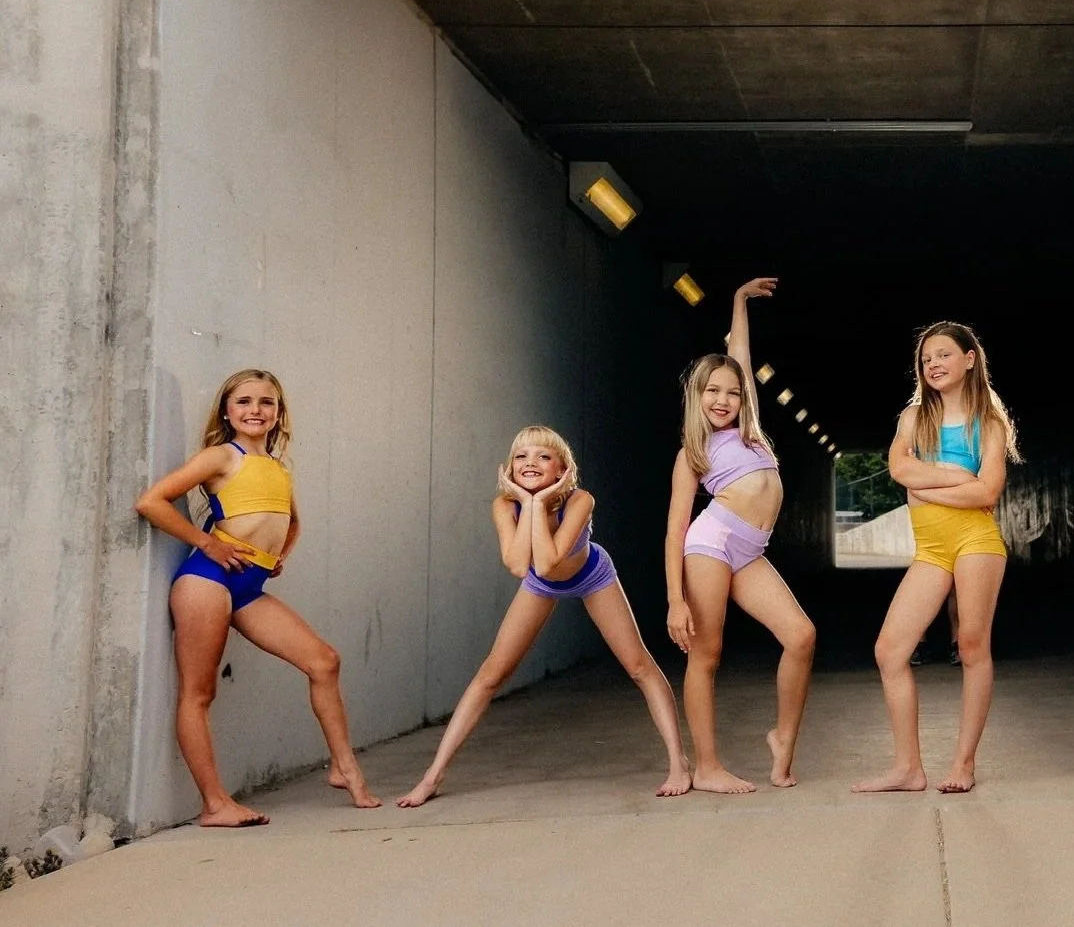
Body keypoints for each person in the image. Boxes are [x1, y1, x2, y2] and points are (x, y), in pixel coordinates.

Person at [134, 368, 380, 825]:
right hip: (207, 579)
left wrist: (275, 556)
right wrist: (207, 541)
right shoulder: (220, 457)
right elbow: (151, 502)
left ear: (278, 412)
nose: (255, 411)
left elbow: (292, 522)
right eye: (244, 402)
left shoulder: (277, 468)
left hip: (249, 585)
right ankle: (214, 805)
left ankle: (344, 768)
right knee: (199, 692)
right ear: (227, 411)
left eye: (266, 402)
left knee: (324, 661)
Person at [397, 426, 690, 805]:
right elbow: (522, 566)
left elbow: (551, 557)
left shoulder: (581, 500)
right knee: (490, 675)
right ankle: (432, 776)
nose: (530, 463)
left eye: (543, 457)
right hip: (540, 582)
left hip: (592, 574)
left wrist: (540, 502)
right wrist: (529, 502)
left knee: (638, 666)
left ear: (563, 470)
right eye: (521, 457)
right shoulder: (505, 506)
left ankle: (678, 762)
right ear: (509, 468)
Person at [665, 279, 817, 793]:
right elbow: (674, 530)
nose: (724, 399)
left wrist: (738, 302)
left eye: (732, 392)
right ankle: (706, 767)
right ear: (697, 396)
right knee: (706, 654)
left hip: (751, 550)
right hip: (710, 544)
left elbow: (741, 357)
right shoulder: (693, 452)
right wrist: (674, 600)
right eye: (713, 391)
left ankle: (783, 736)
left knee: (801, 636)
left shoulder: (750, 430)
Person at [853, 322, 1018, 794]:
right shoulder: (914, 417)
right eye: (927, 359)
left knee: (971, 646)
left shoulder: (989, 424)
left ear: (969, 359)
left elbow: (988, 490)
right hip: (931, 549)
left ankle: (964, 763)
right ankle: (908, 767)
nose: (934, 365)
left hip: (976, 543)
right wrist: (954, 479)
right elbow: (898, 469)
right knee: (890, 651)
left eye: (944, 355)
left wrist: (927, 483)